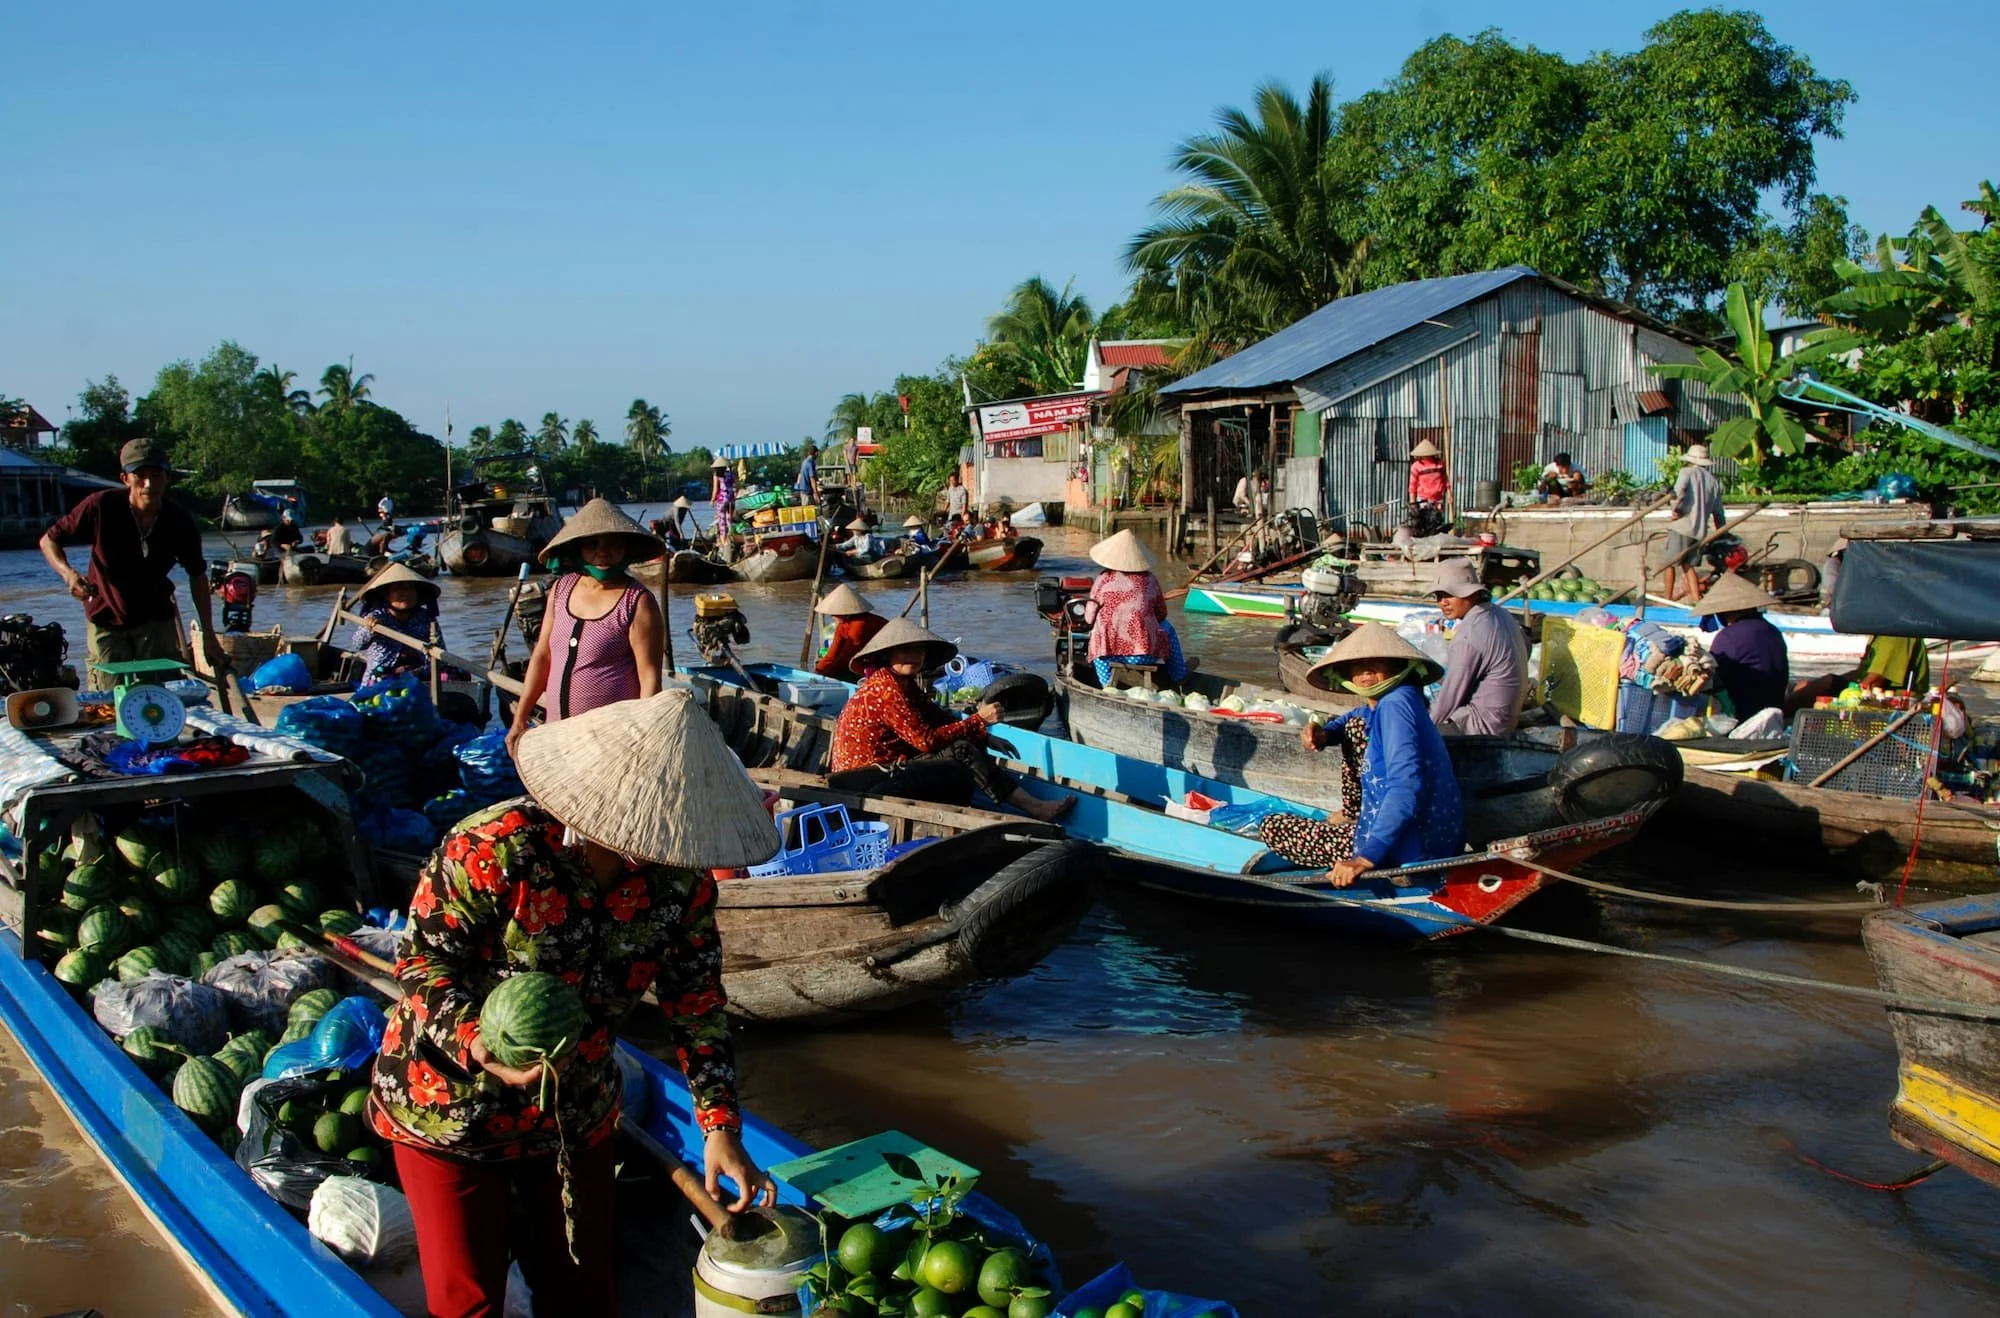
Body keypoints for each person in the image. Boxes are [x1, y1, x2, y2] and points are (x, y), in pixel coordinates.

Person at [371, 690, 779, 1318]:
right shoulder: (495, 848)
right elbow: (422, 963)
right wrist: (479, 1043)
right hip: (449, 1104)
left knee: (584, 1291)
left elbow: (695, 1003)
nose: (656, 847)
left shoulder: (682, 881)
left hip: (576, 1107)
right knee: (469, 1298)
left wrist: (720, 1125)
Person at [1259, 624, 1465, 884]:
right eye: (1358, 665)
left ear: (1397, 667)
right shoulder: (1398, 700)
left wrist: (1366, 858)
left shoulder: (1394, 707)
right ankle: (1353, 815)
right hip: (1430, 836)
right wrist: (1325, 732)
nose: (1366, 671)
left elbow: (1405, 785)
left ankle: (1367, 841)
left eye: (1376, 663)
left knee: (1273, 826)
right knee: (1353, 727)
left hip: (1406, 846)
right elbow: (1354, 718)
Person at [828, 619, 1072, 821]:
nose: (912, 656)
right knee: (962, 749)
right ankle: (1035, 808)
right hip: (866, 780)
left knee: (966, 742)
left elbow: (939, 718)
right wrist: (979, 721)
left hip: (884, 771)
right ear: (887, 655)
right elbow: (926, 741)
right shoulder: (886, 688)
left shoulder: (904, 684)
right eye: (904, 650)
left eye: (918, 650)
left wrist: (983, 735)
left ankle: (1011, 801)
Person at [41, 437, 224, 688]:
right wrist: (69, 575)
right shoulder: (100, 507)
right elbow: (49, 541)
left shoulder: (179, 522)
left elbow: (197, 575)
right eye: (140, 476)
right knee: (109, 700)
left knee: (161, 698)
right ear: (125, 479)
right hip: (105, 618)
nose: (149, 484)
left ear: (167, 477)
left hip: (155, 620)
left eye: (157, 475)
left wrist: (209, 635)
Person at [506, 500, 666, 756]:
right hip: (558, 735)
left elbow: (649, 679)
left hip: (612, 742)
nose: (603, 552)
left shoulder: (637, 601)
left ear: (626, 547)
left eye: (612, 543)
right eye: (593, 544)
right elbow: (543, 656)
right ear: (578, 548)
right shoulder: (561, 590)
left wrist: (642, 741)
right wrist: (520, 718)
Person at [1425, 559, 1529, 735]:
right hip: (1506, 719)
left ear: (1471, 595)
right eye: (1439, 596)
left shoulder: (1469, 634)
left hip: (1484, 727)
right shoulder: (1501, 613)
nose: (1443, 603)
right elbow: (1527, 649)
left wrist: (1422, 731)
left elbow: (1449, 699)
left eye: (1449, 595)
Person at [1083, 529, 1187, 687]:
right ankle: (1178, 676)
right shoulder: (1150, 580)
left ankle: (1106, 686)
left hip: (1108, 655)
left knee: (1097, 633)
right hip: (1146, 654)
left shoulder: (1103, 580)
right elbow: (1161, 614)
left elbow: (1089, 617)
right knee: (1168, 628)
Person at [1695, 574, 1788, 720]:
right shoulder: (1773, 631)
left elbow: (1712, 679)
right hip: (1774, 713)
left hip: (1742, 717)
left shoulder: (1729, 637)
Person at [348, 563, 444, 684]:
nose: (405, 593)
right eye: (398, 588)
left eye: (410, 588)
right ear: (387, 595)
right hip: (383, 673)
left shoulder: (426, 618)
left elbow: (441, 651)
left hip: (418, 672)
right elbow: (357, 644)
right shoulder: (376, 616)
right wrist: (369, 630)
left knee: (455, 673)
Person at [1661, 444, 1725, 602]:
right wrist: (1722, 533)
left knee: (1668, 564)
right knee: (1688, 565)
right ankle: (1696, 599)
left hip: (1683, 526)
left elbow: (1678, 492)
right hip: (1699, 531)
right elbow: (1718, 513)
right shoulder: (1713, 481)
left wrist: (1675, 510)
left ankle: (1666, 599)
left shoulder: (1686, 472)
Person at [812, 584, 887, 681]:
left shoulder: (860, 623)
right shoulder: (842, 626)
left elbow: (848, 655)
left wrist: (828, 671)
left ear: (844, 612)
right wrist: (818, 672)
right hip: (863, 657)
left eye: (834, 614)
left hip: (881, 657)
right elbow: (832, 653)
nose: (832, 616)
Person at [1408, 438, 1449, 510]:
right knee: (1425, 519)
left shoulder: (1440, 464)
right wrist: (1413, 504)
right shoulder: (1416, 466)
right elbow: (1412, 486)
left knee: (1437, 519)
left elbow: (1445, 480)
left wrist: (1449, 494)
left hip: (1438, 499)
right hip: (1423, 500)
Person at [710, 454, 736, 525]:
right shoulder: (732, 474)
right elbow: (737, 486)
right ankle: (730, 534)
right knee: (729, 519)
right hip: (731, 498)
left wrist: (712, 500)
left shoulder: (717, 475)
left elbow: (715, 489)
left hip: (722, 500)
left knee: (722, 520)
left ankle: (724, 535)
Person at [794, 443, 820, 507]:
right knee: (810, 512)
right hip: (808, 492)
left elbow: (799, 475)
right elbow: (812, 479)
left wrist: (798, 488)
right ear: (815, 453)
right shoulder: (810, 463)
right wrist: (816, 493)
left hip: (803, 491)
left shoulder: (804, 462)